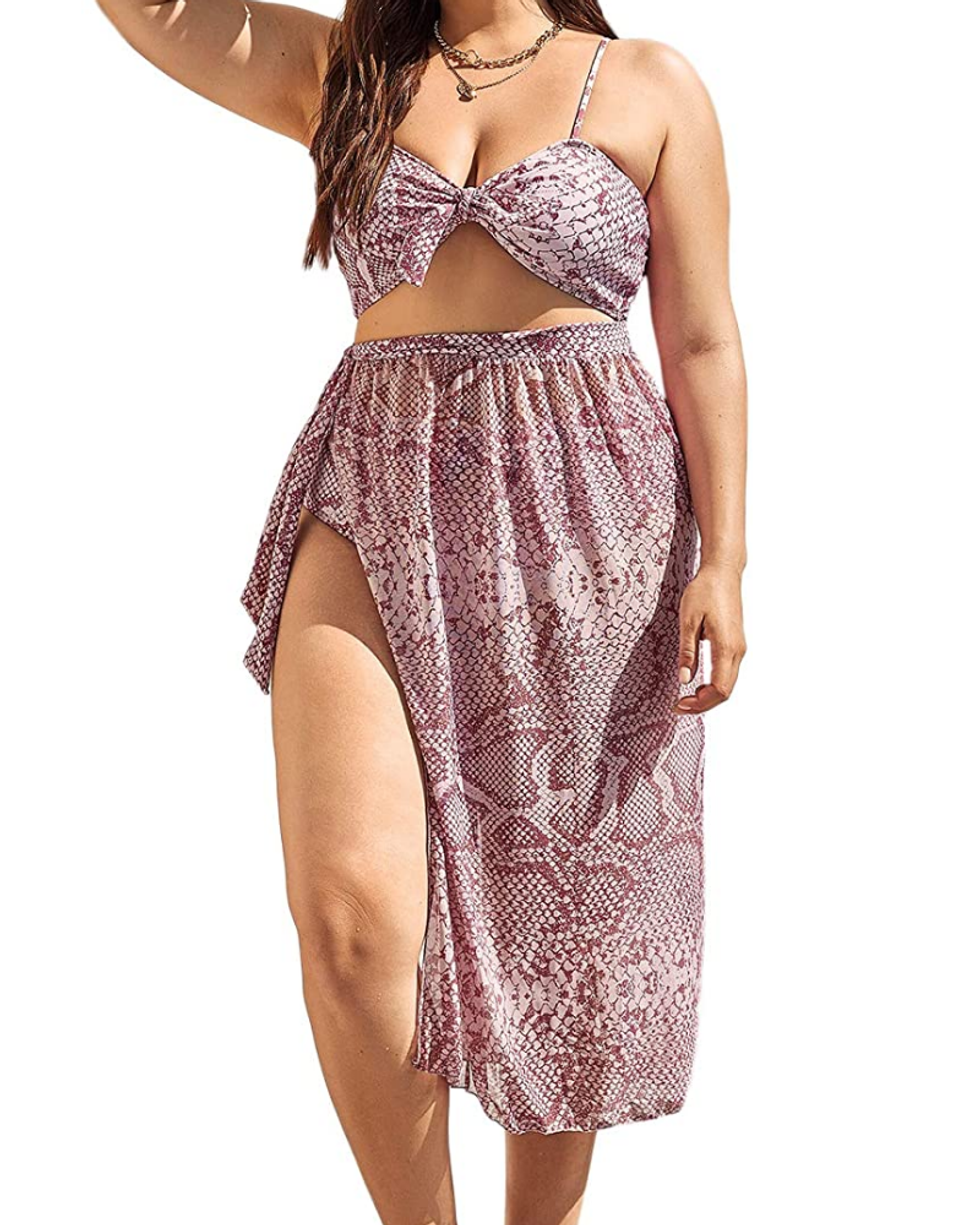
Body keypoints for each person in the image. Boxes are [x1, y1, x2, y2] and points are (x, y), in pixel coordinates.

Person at [96, 2, 748, 1222]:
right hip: (373, 484)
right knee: (347, 919)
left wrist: (727, 559)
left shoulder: (648, 83)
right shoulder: (343, 71)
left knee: (565, 916)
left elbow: (703, 339)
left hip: (584, 511)